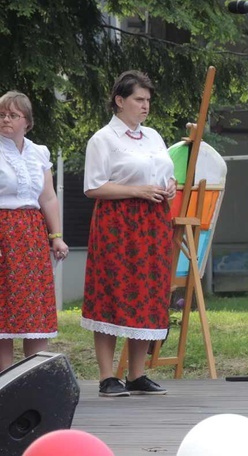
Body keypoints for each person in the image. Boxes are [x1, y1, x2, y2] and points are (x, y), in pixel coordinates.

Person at [81, 71, 176, 397]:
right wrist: (136, 191)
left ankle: (137, 374)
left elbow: (164, 173)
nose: (145, 105)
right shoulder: (103, 139)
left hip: (153, 223)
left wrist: (170, 187)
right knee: (112, 294)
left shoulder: (153, 136)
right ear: (120, 101)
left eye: (148, 100)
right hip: (118, 224)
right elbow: (93, 186)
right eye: (138, 99)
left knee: (147, 294)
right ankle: (108, 376)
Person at [0, 91, 68, 371]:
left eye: (13, 115)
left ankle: (33, 383)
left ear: (27, 121)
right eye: (2, 114)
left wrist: (57, 236)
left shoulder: (39, 152)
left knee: (34, 311)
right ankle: (3, 384)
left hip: (31, 235)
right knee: (3, 311)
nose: (6, 119)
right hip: (3, 234)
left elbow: (48, 197)